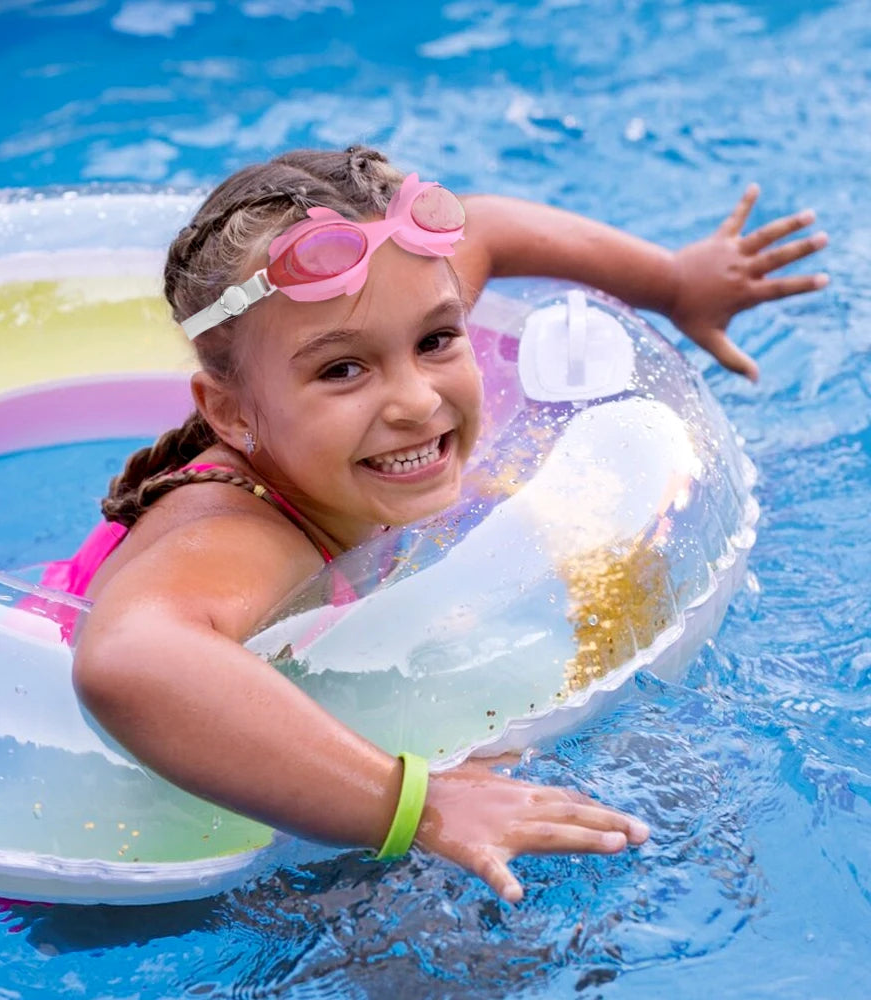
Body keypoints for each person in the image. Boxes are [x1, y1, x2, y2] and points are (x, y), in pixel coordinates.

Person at [65, 146, 828, 903]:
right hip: (119, 856)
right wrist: (418, 808)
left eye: (436, 341)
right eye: (342, 370)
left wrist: (673, 282)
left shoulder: (384, 300)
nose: (418, 402)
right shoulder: (242, 536)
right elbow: (129, 660)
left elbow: (486, 229)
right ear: (231, 413)